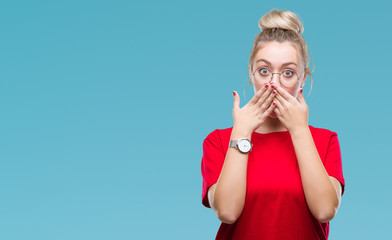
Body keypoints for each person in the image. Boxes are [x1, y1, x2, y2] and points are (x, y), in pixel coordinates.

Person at [200, 9, 346, 240]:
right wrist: (242, 131)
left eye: (288, 73)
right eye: (264, 71)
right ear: (251, 73)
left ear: (302, 79)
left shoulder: (325, 140)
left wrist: (299, 130)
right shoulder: (219, 141)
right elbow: (227, 212)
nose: (274, 84)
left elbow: (325, 210)